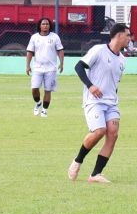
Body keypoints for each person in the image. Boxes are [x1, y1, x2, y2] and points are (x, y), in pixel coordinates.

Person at [67, 23, 131, 183]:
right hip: (94, 101)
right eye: (128, 35)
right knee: (99, 131)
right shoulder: (98, 50)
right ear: (119, 35)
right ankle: (78, 160)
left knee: (113, 134)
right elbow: (79, 66)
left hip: (111, 103)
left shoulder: (122, 60)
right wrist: (90, 86)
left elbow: (114, 83)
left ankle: (95, 174)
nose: (130, 38)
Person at [26, 17, 64, 118]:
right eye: (43, 24)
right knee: (34, 88)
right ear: (39, 26)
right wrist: (28, 66)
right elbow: (30, 52)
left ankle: (44, 110)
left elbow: (60, 50)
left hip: (51, 68)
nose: (45, 26)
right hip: (37, 68)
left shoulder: (55, 37)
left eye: (47, 24)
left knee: (48, 90)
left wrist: (61, 63)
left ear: (49, 26)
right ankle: (38, 103)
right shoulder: (34, 37)